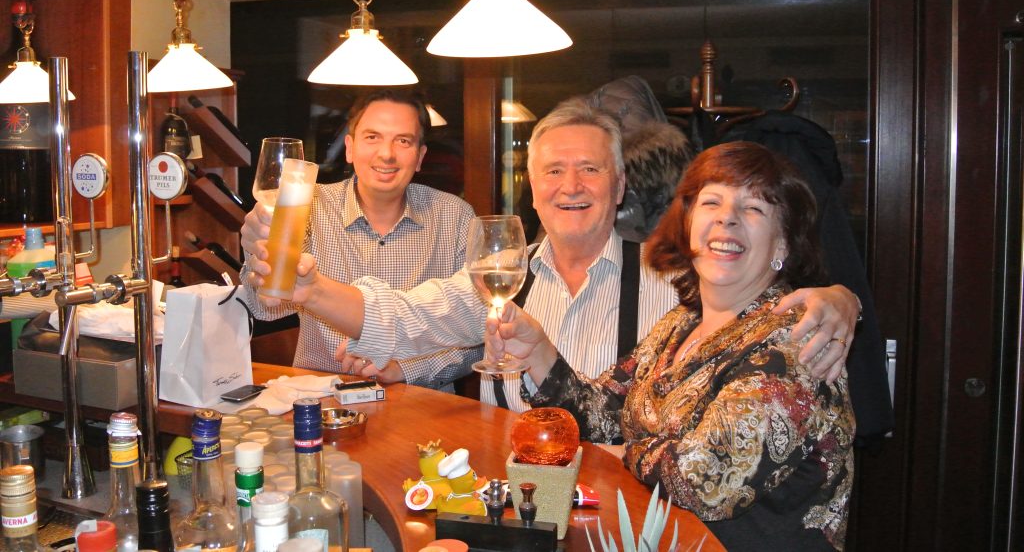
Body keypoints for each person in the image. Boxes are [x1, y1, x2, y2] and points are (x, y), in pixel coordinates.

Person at [245, 98, 860, 410]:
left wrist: (839, 298)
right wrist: (310, 290)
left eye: (590, 169)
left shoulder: (674, 278)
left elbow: (756, 294)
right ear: (533, 188)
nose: (571, 187)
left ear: (619, 185)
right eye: (554, 171)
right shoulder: (502, 276)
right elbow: (404, 317)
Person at [489, 141, 854, 550]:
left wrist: (626, 452)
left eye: (753, 208)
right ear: (688, 222)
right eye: (711, 202)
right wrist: (538, 351)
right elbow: (606, 413)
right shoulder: (682, 322)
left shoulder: (797, 339)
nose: (727, 218)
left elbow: (704, 480)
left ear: (782, 243)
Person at [240, 90, 479, 387]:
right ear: (350, 149)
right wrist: (259, 251)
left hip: (420, 400)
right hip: (321, 397)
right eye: (372, 137)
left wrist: (405, 369)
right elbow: (266, 306)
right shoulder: (307, 206)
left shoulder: (455, 217)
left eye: (403, 141)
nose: (386, 153)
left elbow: (477, 336)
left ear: (420, 157)